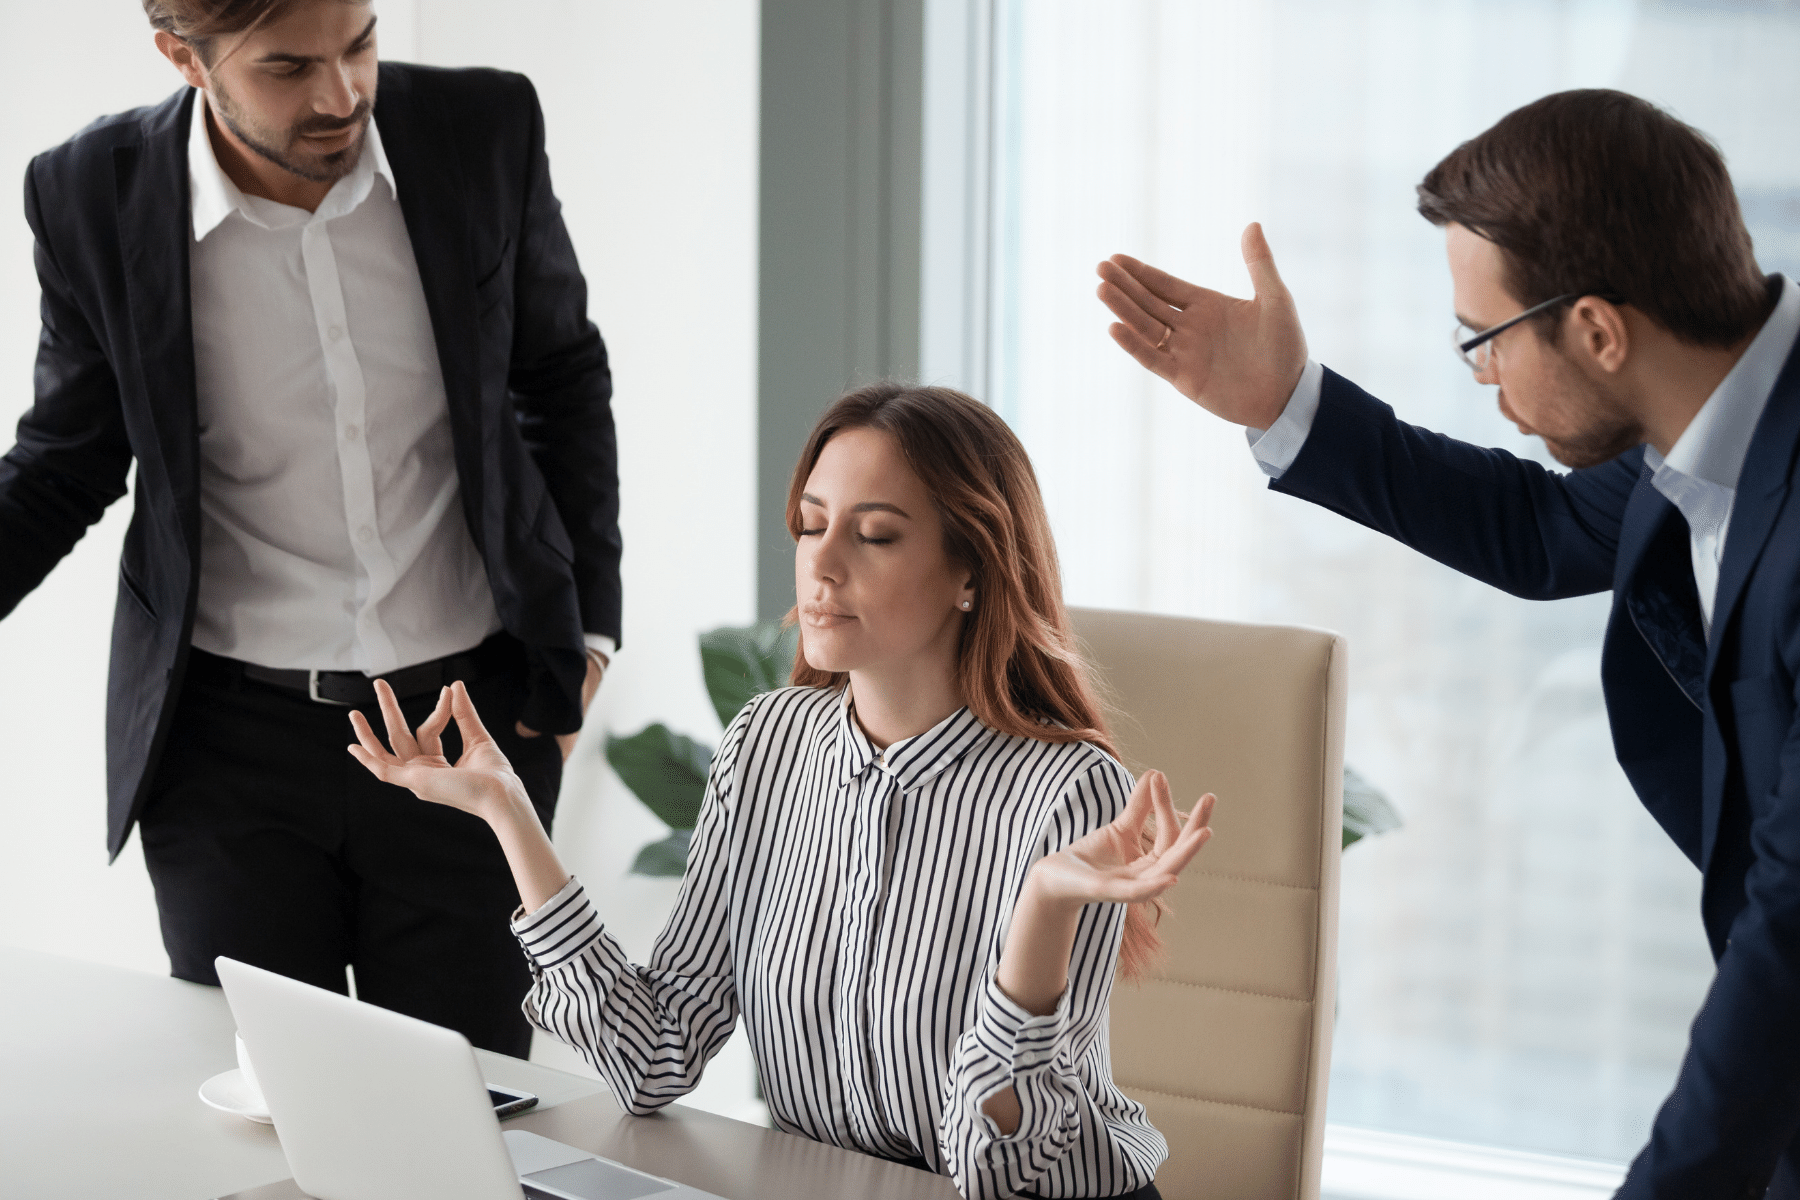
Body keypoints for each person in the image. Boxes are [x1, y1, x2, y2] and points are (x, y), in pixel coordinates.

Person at [1097, 88, 1800, 1198]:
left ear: (1600, 330)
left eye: (1485, 341)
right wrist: (1286, 401)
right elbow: (1541, 527)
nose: (1487, 382)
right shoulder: (1711, 421)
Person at [348, 383, 1214, 1200]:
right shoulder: (770, 742)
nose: (822, 565)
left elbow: (997, 1172)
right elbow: (655, 1052)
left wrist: (1043, 910)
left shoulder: (1069, 793)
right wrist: (509, 811)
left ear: (972, 573)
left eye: (874, 535)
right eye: (809, 526)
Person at [0, 0, 620, 1055]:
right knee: (274, 1121)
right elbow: (67, 460)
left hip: (465, 725)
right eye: (288, 67)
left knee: (470, 1123)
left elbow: (557, 377)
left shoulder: (483, 128)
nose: (340, 96)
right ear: (183, 57)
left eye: (361, 43)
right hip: (226, 753)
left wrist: (589, 637)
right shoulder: (88, 192)